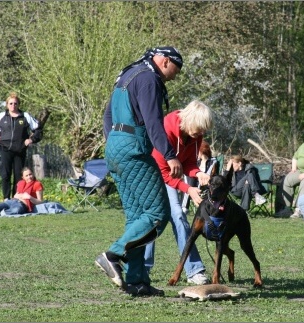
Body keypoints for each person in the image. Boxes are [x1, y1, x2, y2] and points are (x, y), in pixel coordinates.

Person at [96, 46, 183, 297]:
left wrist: (115, 141)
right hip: (133, 150)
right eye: (174, 72)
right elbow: (153, 120)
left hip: (116, 147)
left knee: (137, 217)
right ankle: (113, 255)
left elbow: (108, 114)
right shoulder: (148, 79)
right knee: (157, 214)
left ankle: (137, 281)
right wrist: (169, 155)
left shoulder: (128, 75)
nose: (173, 78)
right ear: (165, 61)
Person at [144, 100, 213, 285]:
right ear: (189, 120)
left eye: (203, 131)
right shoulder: (166, 129)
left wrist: (199, 174)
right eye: (198, 129)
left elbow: (188, 163)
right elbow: (165, 174)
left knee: (179, 216)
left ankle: (194, 270)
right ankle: (142, 267)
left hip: (169, 177)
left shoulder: (195, 135)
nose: (200, 134)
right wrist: (188, 189)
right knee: (153, 219)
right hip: (151, 173)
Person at [0, 92, 43, 201]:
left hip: (20, 150)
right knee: (5, 174)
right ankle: (6, 198)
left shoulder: (25, 116)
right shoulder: (2, 116)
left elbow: (38, 130)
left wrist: (31, 139)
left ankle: (16, 197)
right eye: (11, 103)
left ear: (19, 104)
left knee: (19, 176)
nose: (13, 106)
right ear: (7, 105)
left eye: (15, 103)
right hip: (6, 149)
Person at [275, 124, 304, 218]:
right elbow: (295, 157)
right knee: (287, 179)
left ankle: (300, 210)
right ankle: (285, 208)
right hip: (301, 171)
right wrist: (293, 168)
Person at [181, 140, 219, 214]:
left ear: (201, 150)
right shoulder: (196, 161)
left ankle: (184, 207)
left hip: (206, 185)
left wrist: (204, 161)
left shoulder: (213, 161)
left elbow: (209, 175)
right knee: (189, 177)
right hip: (193, 184)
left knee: (190, 181)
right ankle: (184, 207)